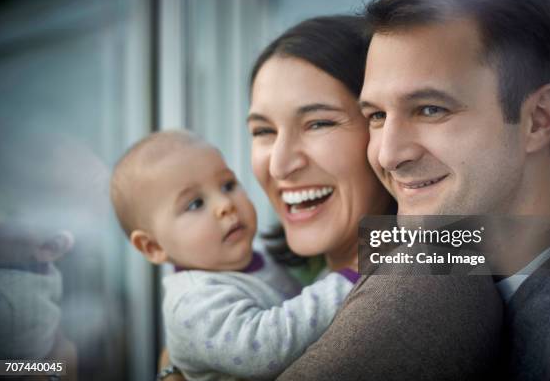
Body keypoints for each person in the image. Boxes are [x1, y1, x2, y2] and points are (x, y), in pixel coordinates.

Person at [280, 0, 550, 380]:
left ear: (538, 120)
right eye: (377, 116)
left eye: (431, 109)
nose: (388, 154)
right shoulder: (448, 261)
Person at [159, 15, 503, 381]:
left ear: (381, 130)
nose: (279, 164)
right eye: (263, 130)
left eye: (318, 123)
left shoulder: (425, 279)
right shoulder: (297, 276)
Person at [110, 130, 362, 380]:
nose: (225, 205)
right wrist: (344, 280)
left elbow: (299, 307)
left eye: (228, 185)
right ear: (153, 246)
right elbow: (263, 349)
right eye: (195, 204)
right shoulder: (193, 301)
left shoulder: (257, 258)